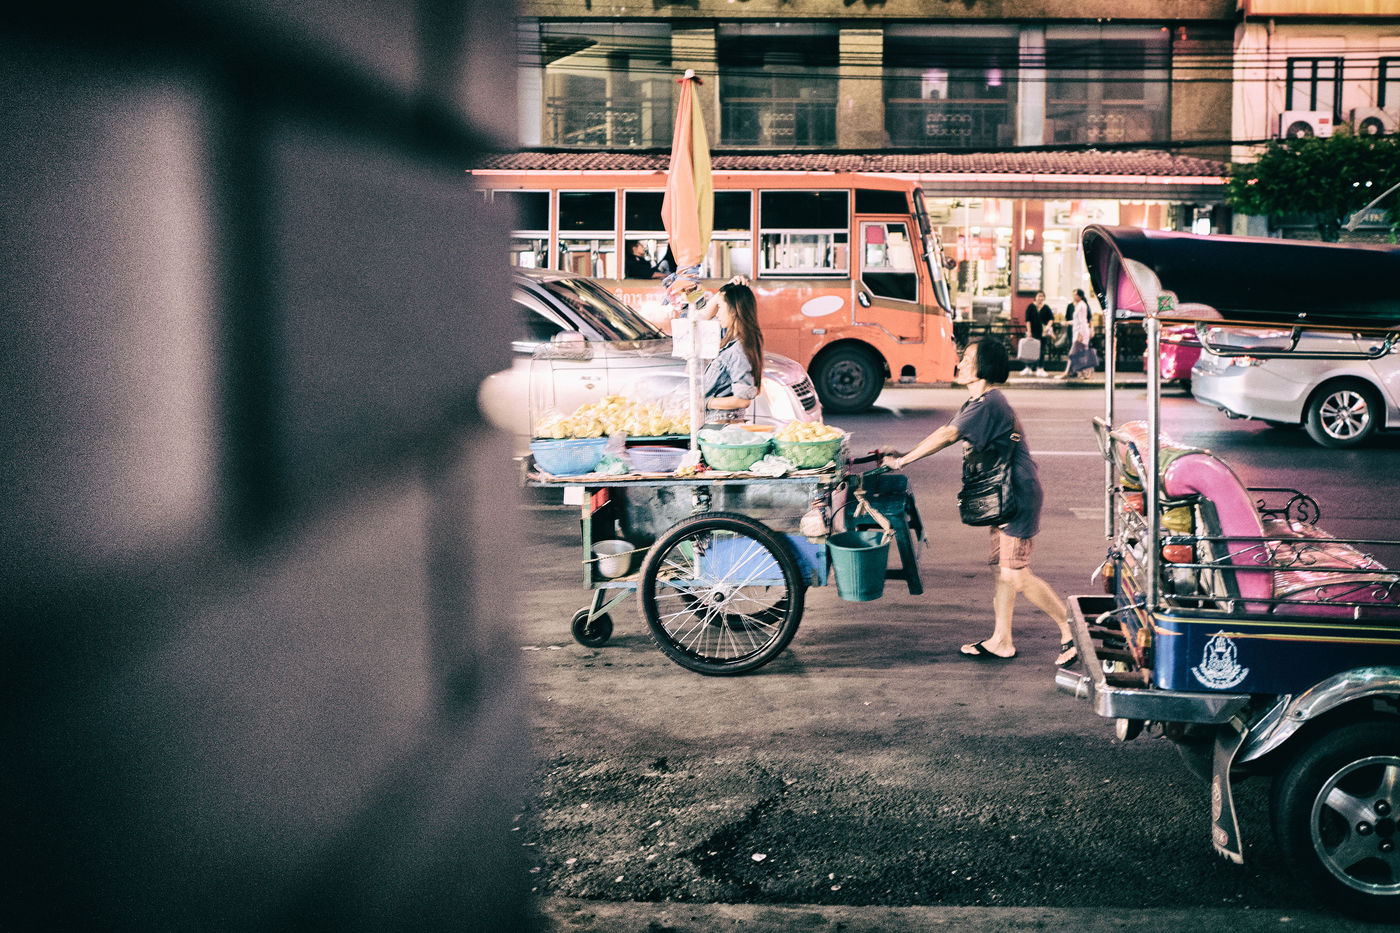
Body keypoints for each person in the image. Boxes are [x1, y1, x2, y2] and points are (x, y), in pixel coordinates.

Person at [881, 337, 1076, 665]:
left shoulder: (988, 403)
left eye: (968, 358)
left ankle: (1070, 629)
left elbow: (947, 436)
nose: (961, 362)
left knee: (1015, 573)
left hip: (1017, 494)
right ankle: (1001, 640)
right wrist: (905, 453)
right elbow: (948, 429)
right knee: (1002, 572)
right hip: (1004, 493)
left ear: (984, 366)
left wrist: (903, 462)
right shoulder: (979, 401)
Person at [701, 280, 763, 419]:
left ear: (733, 310)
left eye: (720, 307)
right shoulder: (734, 341)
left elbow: (742, 400)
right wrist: (720, 294)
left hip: (721, 426)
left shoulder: (738, 349)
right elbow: (698, 321)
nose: (717, 314)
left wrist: (704, 402)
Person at [1056, 288, 1094, 380]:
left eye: (1075, 295)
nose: (1074, 296)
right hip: (1079, 331)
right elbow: (1077, 320)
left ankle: (1067, 373)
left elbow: (1082, 320)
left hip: (1080, 333)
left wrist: (1080, 334)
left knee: (1074, 353)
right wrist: (1069, 322)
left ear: (1079, 296)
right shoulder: (1079, 305)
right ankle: (1085, 373)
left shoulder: (1082, 305)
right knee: (1080, 353)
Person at [1024, 291, 1053, 376]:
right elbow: (1027, 320)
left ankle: (1040, 368)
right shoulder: (1031, 307)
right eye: (1039, 296)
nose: (1041, 298)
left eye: (1042, 296)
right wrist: (1029, 331)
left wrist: (1048, 326)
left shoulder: (1046, 307)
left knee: (1042, 350)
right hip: (1032, 332)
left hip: (1042, 333)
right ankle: (1028, 367)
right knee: (1030, 350)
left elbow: (1051, 319)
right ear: (1035, 297)